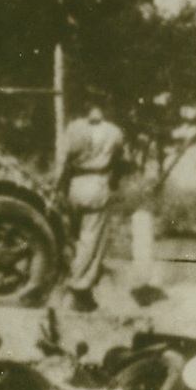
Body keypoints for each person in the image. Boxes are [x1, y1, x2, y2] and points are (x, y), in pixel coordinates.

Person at [57, 96, 126, 313]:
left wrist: (59, 187)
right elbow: (121, 161)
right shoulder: (114, 132)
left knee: (74, 238)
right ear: (104, 108)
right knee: (92, 240)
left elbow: (62, 162)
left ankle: (79, 292)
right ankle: (76, 291)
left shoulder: (74, 129)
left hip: (75, 186)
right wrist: (114, 181)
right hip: (97, 184)